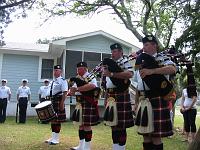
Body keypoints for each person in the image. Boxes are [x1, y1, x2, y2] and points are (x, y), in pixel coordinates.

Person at [133, 35, 176, 150]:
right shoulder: (140, 63)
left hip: (157, 98)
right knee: (146, 135)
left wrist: (152, 71)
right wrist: (136, 103)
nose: (144, 48)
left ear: (154, 45)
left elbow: (172, 69)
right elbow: (139, 85)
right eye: (143, 45)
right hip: (143, 99)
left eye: (147, 45)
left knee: (156, 136)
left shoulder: (162, 58)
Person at [102, 43, 135, 150]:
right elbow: (107, 84)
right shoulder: (109, 65)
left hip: (121, 94)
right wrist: (106, 99)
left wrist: (112, 74)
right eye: (112, 51)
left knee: (121, 126)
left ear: (121, 52)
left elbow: (130, 74)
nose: (113, 53)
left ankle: (121, 148)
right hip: (111, 95)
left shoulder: (124, 61)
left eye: (115, 51)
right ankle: (115, 147)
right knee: (113, 124)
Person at [69, 61, 100, 150]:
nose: (78, 70)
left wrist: (78, 89)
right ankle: (81, 146)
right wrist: (70, 92)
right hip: (79, 103)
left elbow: (93, 86)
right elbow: (73, 89)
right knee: (80, 125)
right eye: (77, 69)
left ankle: (87, 147)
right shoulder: (78, 77)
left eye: (80, 69)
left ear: (85, 68)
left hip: (87, 102)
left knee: (86, 125)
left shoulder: (90, 76)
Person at [45, 65, 68, 145]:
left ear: (60, 71)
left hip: (58, 101)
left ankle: (56, 139)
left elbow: (65, 92)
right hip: (51, 101)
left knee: (57, 120)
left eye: (57, 70)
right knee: (52, 119)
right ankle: (52, 137)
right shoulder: (52, 81)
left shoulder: (63, 81)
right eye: (54, 70)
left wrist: (62, 103)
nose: (55, 72)